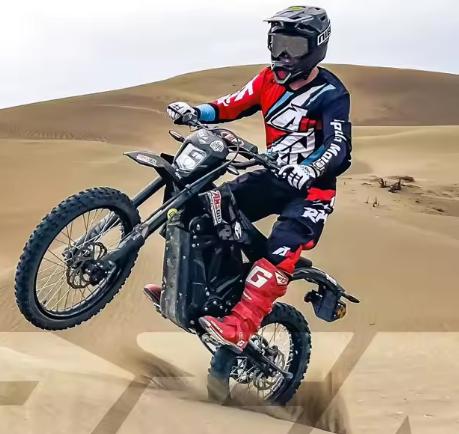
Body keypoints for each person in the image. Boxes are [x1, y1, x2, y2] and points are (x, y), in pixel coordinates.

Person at [144, 5, 352, 351]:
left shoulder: (331, 93)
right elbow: (232, 104)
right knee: (206, 208)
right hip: (272, 178)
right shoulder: (267, 79)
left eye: (293, 46)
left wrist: (309, 168)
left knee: (280, 251)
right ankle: (188, 290)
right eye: (277, 44)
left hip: (311, 192)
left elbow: (338, 146)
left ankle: (240, 327)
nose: (283, 55)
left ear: (316, 46)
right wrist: (196, 111)